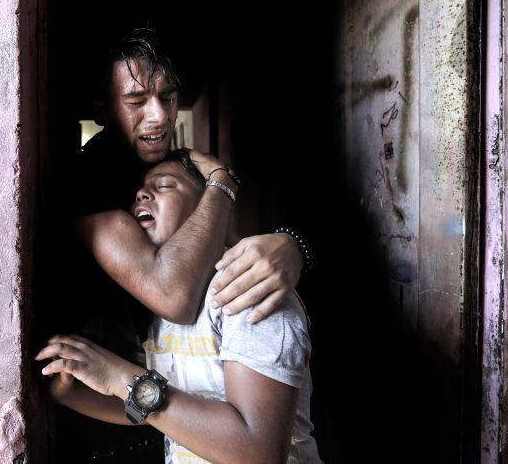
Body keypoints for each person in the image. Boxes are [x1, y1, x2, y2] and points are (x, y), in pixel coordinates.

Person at [45, 27, 314, 461]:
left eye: (168, 97)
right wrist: (222, 182)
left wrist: (293, 245)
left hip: (162, 408)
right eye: (136, 101)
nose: (158, 116)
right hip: (120, 422)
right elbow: (174, 295)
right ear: (101, 106)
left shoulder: (240, 297)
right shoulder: (89, 180)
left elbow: (223, 248)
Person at [37, 150, 322, 463]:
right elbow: (167, 409)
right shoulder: (165, 302)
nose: (142, 194)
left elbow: (258, 451)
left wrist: (119, 376)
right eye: (139, 192)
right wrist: (72, 394)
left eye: (163, 186)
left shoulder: (246, 286)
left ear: (208, 209)